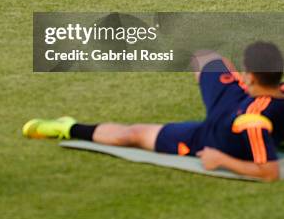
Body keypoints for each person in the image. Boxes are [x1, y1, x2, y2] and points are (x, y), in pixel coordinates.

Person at [23, 41, 284, 182]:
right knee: (206, 57)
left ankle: (67, 128)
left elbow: (269, 172)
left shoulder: (253, 123)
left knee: (133, 135)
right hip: (235, 100)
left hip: (210, 138)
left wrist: (220, 160)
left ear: (249, 76)